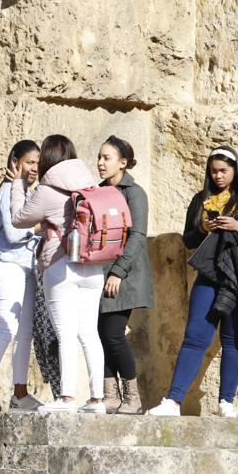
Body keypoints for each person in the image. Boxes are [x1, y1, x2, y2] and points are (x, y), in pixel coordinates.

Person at [148, 145, 238, 417]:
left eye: (224, 171)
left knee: (233, 339)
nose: (218, 176)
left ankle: (226, 403)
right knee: (195, 336)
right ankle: (173, 401)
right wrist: (203, 228)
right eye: (213, 171)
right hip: (210, 275)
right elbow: (188, 240)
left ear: (235, 170)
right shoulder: (202, 199)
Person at [11, 134, 105, 413]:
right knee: (90, 333)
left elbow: (19, 219)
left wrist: (18, 184)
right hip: (93, 267)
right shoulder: (89, 184)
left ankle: (67, 398)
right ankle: (97, 400)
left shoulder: (47, 189)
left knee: (65, 334)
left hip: (61, 266)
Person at [0, 139, 43, 413]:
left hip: (26, 267)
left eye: (37, 162)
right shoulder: (6, 192)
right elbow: (13, 234)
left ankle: (20, 394)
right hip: (6, 265)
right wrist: (39, 228)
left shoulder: (28, 193)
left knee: (25, 333)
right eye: (29, 162)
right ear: (15, 163)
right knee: (8, 327)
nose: (34, 167)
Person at [94, 136, 152, 414]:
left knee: (113, 333)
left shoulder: (134, 193)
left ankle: (133, 398)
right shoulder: (98, 191)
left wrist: (118, 271)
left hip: (124, 276)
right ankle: (111, 395)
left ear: (123, 162)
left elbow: (138, 235)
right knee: (100, 334)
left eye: (107, 158)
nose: (101, 163)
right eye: (99, 157)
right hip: (99, 274)